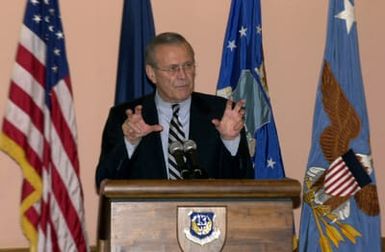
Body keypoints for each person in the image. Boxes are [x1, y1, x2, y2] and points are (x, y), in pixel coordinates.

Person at [95, 32, 253, 190]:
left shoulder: (221, 113)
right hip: (148, 213)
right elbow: (104, 182)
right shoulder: (125, 117)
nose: (183, 75)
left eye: (188, 65)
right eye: (173, 69)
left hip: (206, 213)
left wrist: (230, 141)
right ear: (151, 73)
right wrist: (130, 142)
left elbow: (244, 180)